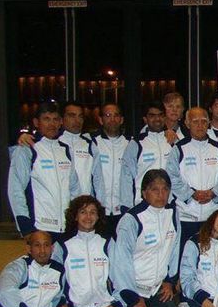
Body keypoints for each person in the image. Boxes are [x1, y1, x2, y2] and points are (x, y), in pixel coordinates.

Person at [111, 169, 184, 307]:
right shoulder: (131, 220)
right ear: (144, 193)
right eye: (154, 189)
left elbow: (175, 250)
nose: (161, 194)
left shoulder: (172, 214)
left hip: (156, 287)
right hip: (132, 288)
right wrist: (133, 298)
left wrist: (169, 281)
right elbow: (121, 263)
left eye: (165, 189)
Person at [166, 107, 218, 264]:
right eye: (195, 121)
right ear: (187, 123)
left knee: (212, 259)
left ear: (209, 123)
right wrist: (191, 194)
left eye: (203, 121)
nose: (200, 125)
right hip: (186, 214)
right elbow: (172, 176)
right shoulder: (179, 149)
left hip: (213, 216)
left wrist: (213, 193)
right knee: (185, 260)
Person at [53, 196, 119, 307]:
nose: (88, 217)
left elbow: (118, 273)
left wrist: (116, 302)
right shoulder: (63, 244)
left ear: (98, 216)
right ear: (75, 216)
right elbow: (55, 278)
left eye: (93, 212)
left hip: (103, 305)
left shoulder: (106, 241)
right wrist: (61, 302)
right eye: (83, 212)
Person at [8, 102, 81, 242]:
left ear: (61, 122)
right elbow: (15, 189)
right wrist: (25, 226)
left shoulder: (65, 150)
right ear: (36, 122)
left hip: (66, 227)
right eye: (46, 119)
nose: (52, 124)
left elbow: (74, 189)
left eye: (55, 119)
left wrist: (77, 219)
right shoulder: (26, 149)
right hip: (40, 227)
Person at [120, 102, 173, 211]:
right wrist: (126, 206)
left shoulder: (172, 141)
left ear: (165, 117)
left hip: (168, 202)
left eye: (160, 115)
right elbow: (126, 176)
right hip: (142, 204)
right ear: (145, 119)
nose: (157, 119)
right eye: (152, 115)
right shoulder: (137, 143)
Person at [92, 103, 130, 238]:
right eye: (108, 115)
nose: (112, 119)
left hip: (123, 211)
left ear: (121, 119)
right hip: (98, 211)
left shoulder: (130, 144)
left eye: (116, 115)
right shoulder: (90, 142)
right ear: (101, 119)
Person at [57, 101, 104, 201]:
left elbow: (98, 179)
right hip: (59, 205)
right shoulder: (54, 143)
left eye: (80, 116)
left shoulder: (89, 144)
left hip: (84, 205)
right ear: (61, 119)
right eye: (72, 116)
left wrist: (100, 204)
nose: (77, 120)